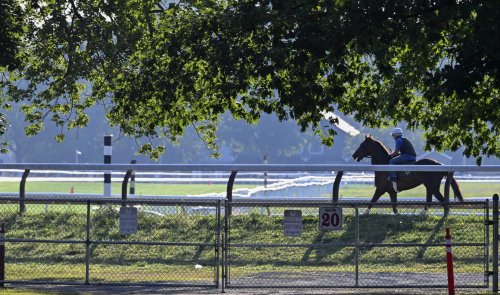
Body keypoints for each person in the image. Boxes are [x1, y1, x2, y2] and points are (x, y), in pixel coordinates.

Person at [389, 128, 417, 192]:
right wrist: (395, 154)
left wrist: (391, 155)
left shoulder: (398, 140)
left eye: (393, 135)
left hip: (408, 157)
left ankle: (393, 178)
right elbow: (400, 152)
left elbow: (396, 152)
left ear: (396, 135)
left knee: (391, 161)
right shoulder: (403, 139)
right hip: (410, 156)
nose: (393, 137)